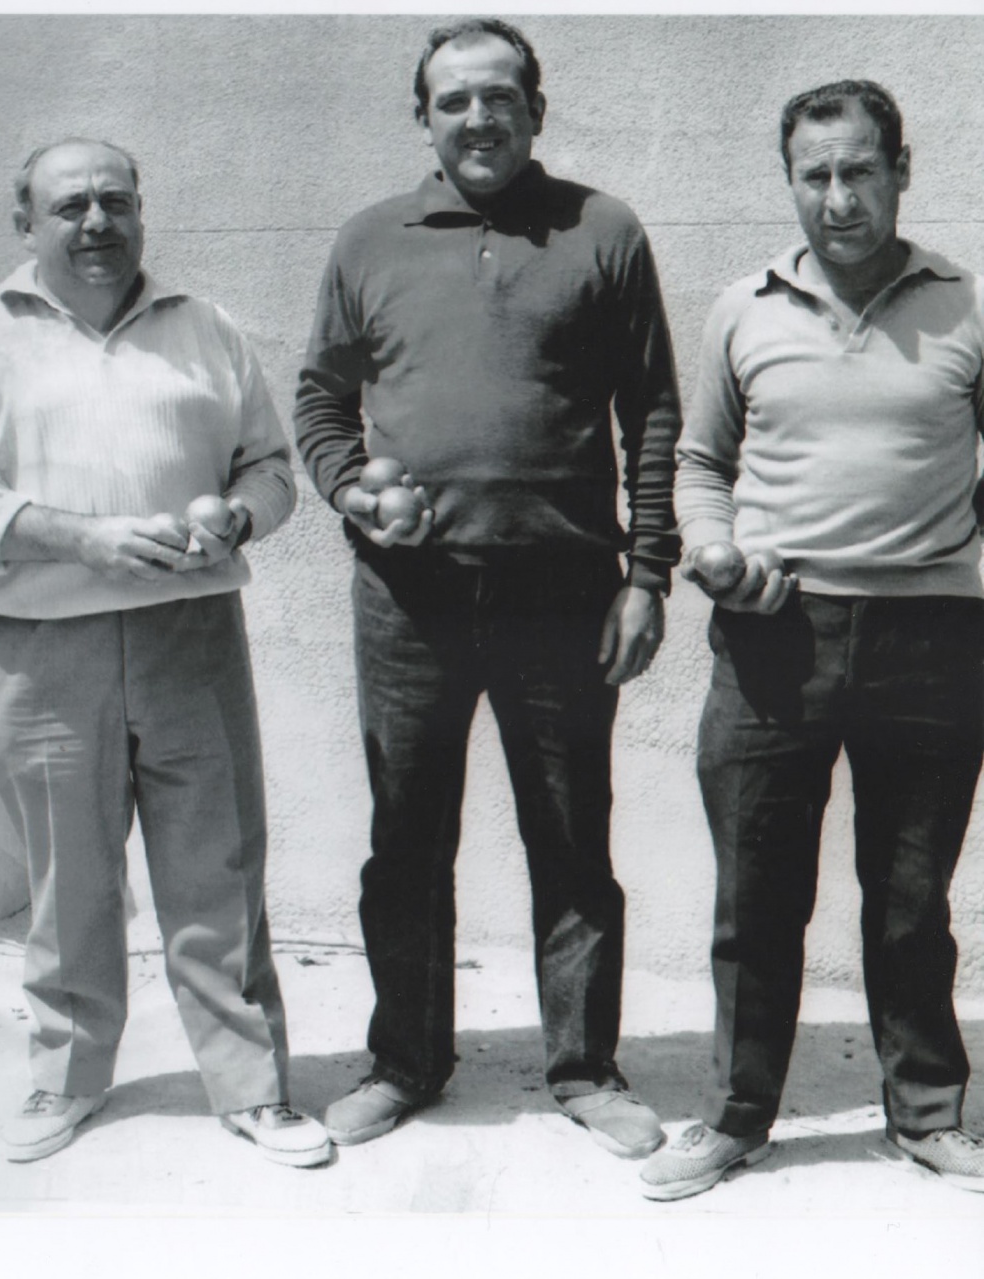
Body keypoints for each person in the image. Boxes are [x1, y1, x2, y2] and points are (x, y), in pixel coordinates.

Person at [294, 19, 681, 1156]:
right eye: (453, 99)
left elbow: (650, 412)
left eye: (498, 97)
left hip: (564, 588)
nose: (477, 118)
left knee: (571, 835)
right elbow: (320, 399)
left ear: (535, 110)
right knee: (405, 836)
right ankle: (404, 1061)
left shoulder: (602, 230)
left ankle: (584, 1068)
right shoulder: (371, 238)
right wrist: (349, 489)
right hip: (406, 594)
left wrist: (644, 573)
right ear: (424, 115)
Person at [0, 138, 330, 1168]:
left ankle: (251, 1087)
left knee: (217, 867)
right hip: (38, 647)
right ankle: (65, 1076)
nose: (96, 223)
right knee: (66, 881)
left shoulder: (202, 329)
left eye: (114, 201)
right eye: (69, 205)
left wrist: (237, 525)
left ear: (140, 212)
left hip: (189, 633)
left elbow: (268, 468)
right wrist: (81, 535)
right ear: (23, 221)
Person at [640, 80, 984, 1200]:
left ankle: (926, 1113)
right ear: (790, 180)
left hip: (931, 638)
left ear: (899, 169)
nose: (837, 198)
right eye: (813, 175)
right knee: (756, 893)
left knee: (907, 895)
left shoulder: (965, 303)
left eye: (857, 171)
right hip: (772, 637)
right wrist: (708, 547)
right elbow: (698, 462)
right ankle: (738, 1114)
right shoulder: (740, 307)